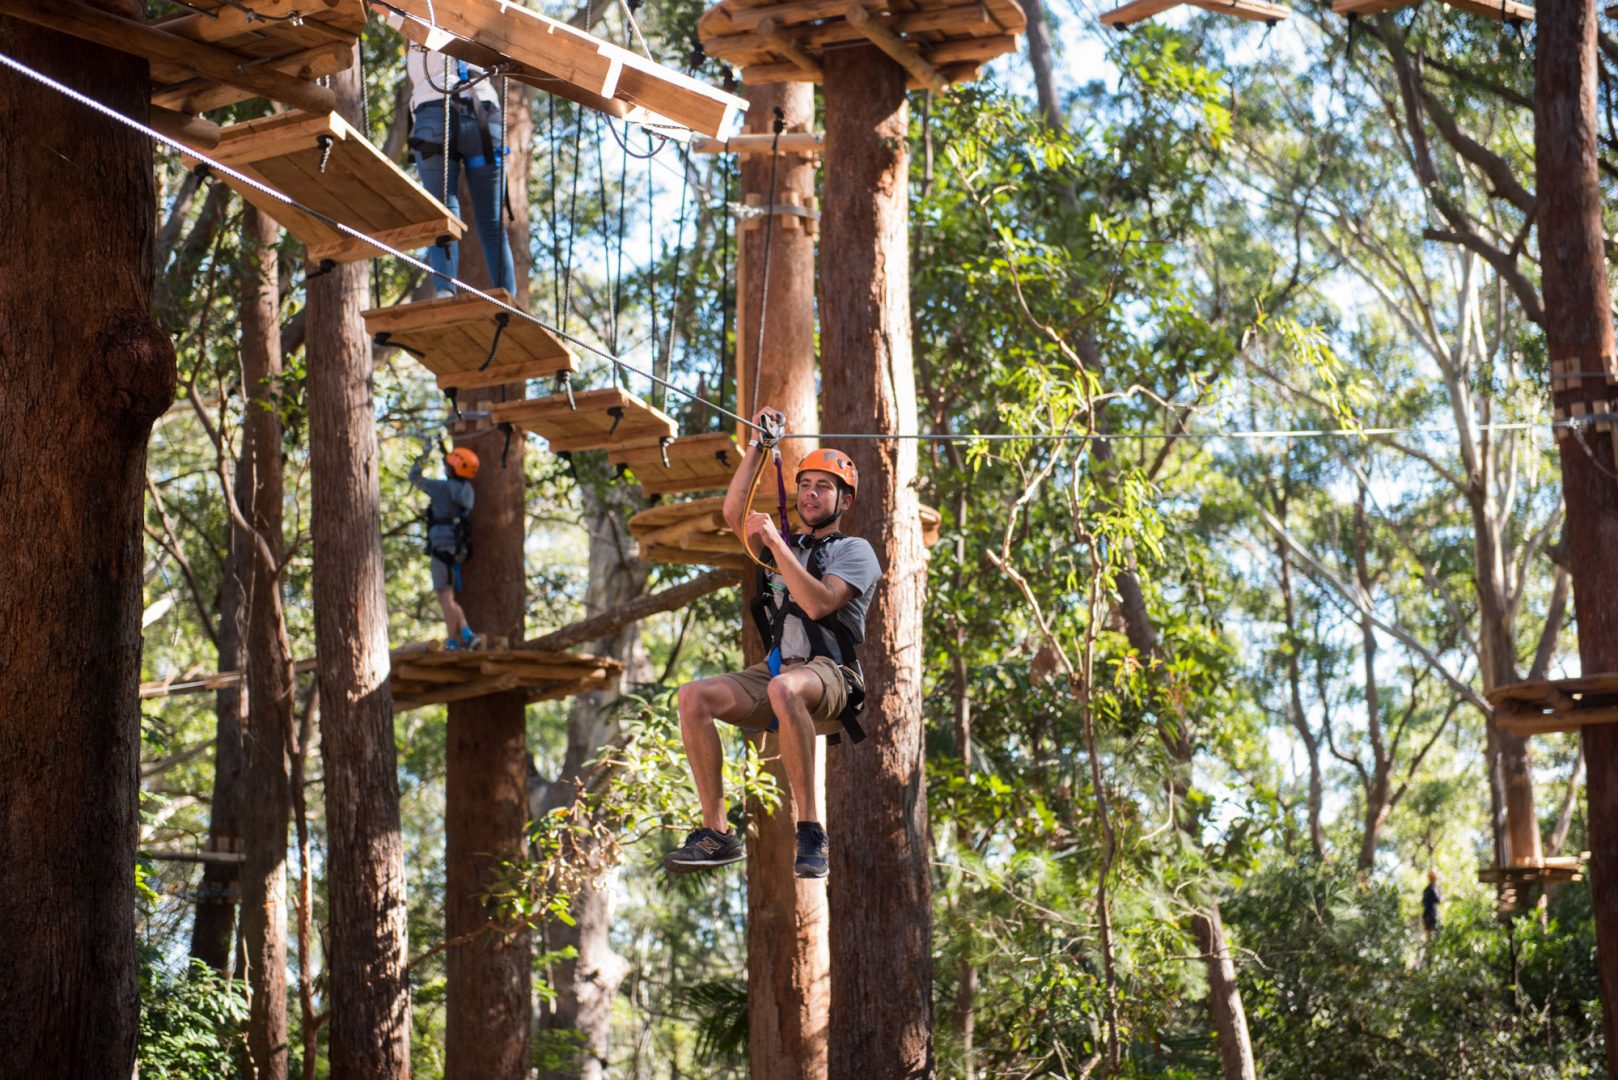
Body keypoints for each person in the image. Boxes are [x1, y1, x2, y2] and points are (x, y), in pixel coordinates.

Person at [664, 408, 881, 880]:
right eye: (805, 485)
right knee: (693, 697)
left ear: (844, 500)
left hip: (831, 674)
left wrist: (777, 546)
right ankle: (717, 832)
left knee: (785, 689)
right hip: (779, 670)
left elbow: (821, 603)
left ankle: (810, 831)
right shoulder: (783, 542)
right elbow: (732, 512)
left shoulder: (855, 551)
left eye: (824, 487)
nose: (811, 493)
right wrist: (759, 447)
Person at [404, 40, 517, 297]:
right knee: (492, 224)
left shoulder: (414, 10)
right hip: (484, 116)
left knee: (442, 211)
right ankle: (508, 297)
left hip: (433, 113)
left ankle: (445, 290)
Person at [411, 443, 479, 650]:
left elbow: (415, 478)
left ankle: (454, 640)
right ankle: (465, 633)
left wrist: (424, 453)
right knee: (447, 597)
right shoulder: (467, 491)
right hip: (458, 548)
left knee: (445, 598)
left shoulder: (442, 489)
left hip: (442, 548)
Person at [1422, 868, 1442, 937]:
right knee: (1430, 933)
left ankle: (1430, 944)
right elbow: (1438, 900)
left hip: (1428, 915)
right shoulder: (1431, 890)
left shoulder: (1427, 890)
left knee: (1430, 933)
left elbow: (1423, 902)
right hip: (1431, 915)